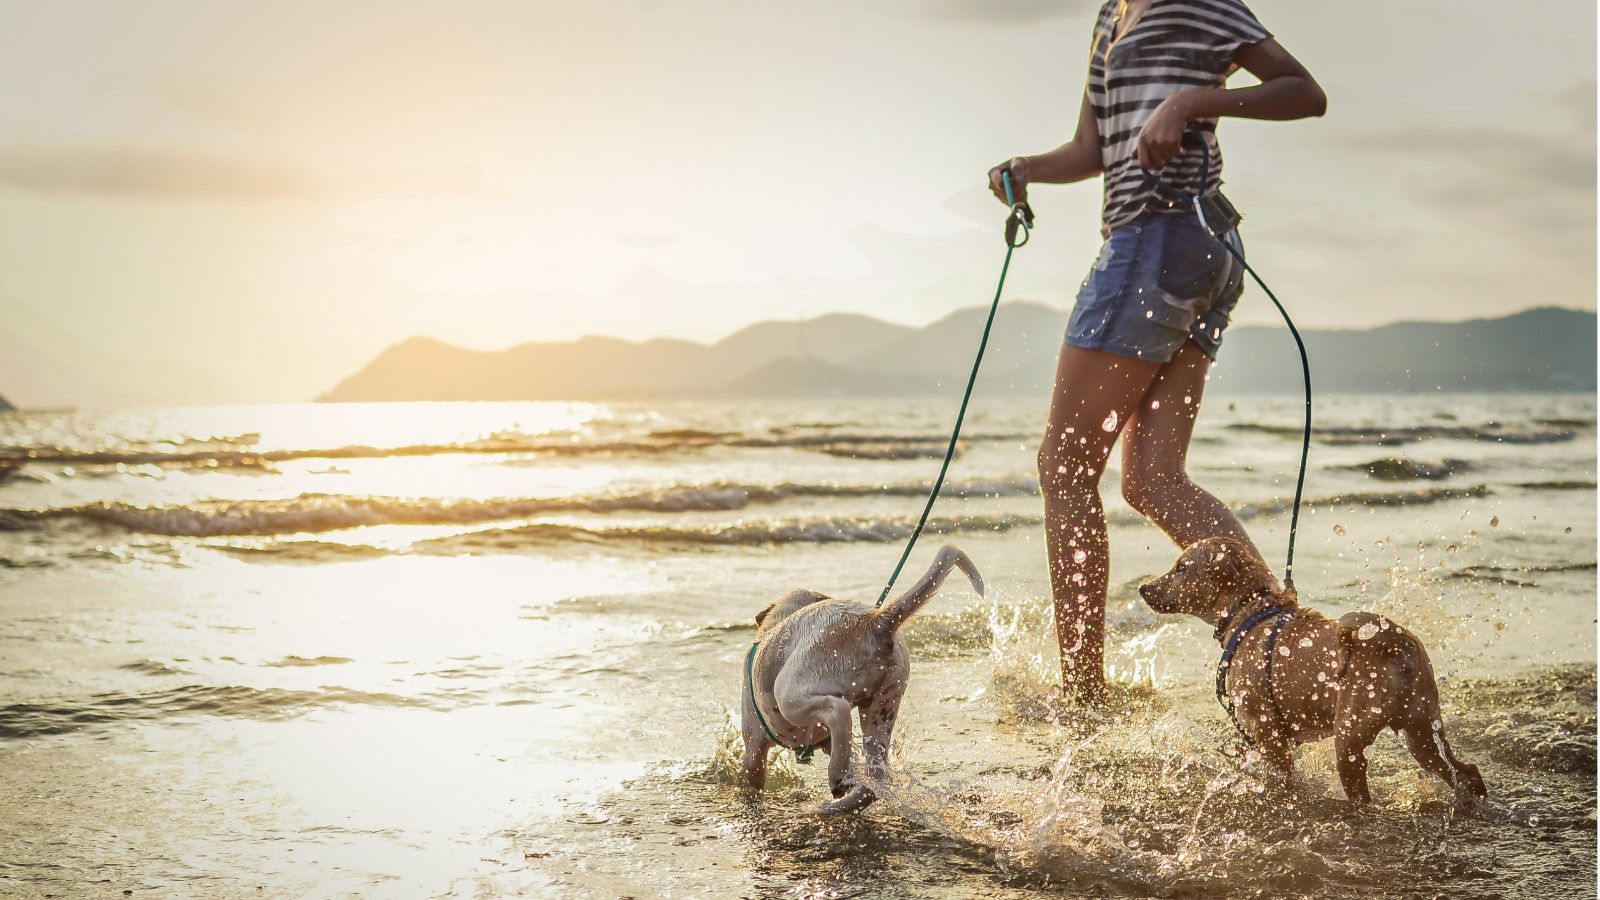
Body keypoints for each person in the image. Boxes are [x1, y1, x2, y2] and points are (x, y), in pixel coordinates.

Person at [988, 0, 1326, 704]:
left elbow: (1304, 92)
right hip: (1188, 248)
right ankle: (1282, 646)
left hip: (1159, 236)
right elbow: (1092, 149)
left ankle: (1082, 691)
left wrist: (1193, 100)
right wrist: (1028, 168)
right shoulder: (1112, 14)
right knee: (1152, 481)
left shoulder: (1197, 3)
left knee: (1064, 464)